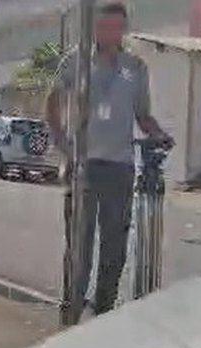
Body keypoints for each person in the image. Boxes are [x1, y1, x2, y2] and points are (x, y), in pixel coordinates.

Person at [46, 1, 170, 316]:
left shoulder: (135, 67)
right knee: (79, 248)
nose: (109, 32)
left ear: (123, 30)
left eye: (116, 27)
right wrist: (63, 145)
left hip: (121, 169)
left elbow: (142, 115)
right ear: (94, 28)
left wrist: (159, 134)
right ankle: (70, 311)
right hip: (83, 168)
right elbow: (53, 101)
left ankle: (104, 312)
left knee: (114, 251)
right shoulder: (76, 60)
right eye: (103, 26)